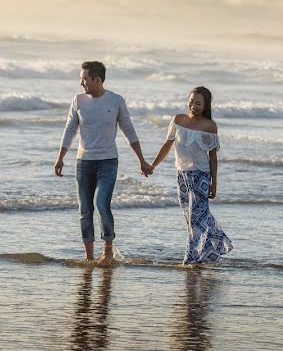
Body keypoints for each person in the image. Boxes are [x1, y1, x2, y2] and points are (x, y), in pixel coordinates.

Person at [55, 61, 153, 265]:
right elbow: (69, 130)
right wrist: (60, 157)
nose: (81, 82)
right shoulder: (78, 101)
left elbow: (129, 131)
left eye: (84, 79)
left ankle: (107, 252)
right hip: (83, 162)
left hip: (107, 161)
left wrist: (142, 160)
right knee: (84, 210)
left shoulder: (116, 100)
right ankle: (89, 257)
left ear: (97, 79)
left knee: (101, 204)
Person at [149, 86, 232, 264]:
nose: (193, 106)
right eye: (192, 101)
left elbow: (213, 156)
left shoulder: (209, 126)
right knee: (191, 219)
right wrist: (153, 165)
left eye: (198, 103)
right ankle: (212, 246)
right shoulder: (178, 120)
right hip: (182, 175)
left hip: (201, 175)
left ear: (206, 106)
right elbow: (167, 145)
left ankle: (191, 259)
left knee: (196, 218)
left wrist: (214, 183)